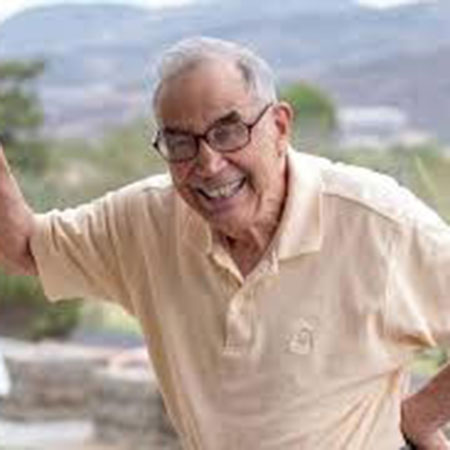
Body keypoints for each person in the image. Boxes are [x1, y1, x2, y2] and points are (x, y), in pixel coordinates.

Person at [0, 36, 449, 450]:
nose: (209, 164)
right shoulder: (146, 221)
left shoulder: (378, 224)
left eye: (228, 131)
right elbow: (25, 246)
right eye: (180, 142)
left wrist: (421, 416)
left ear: (280, 126)